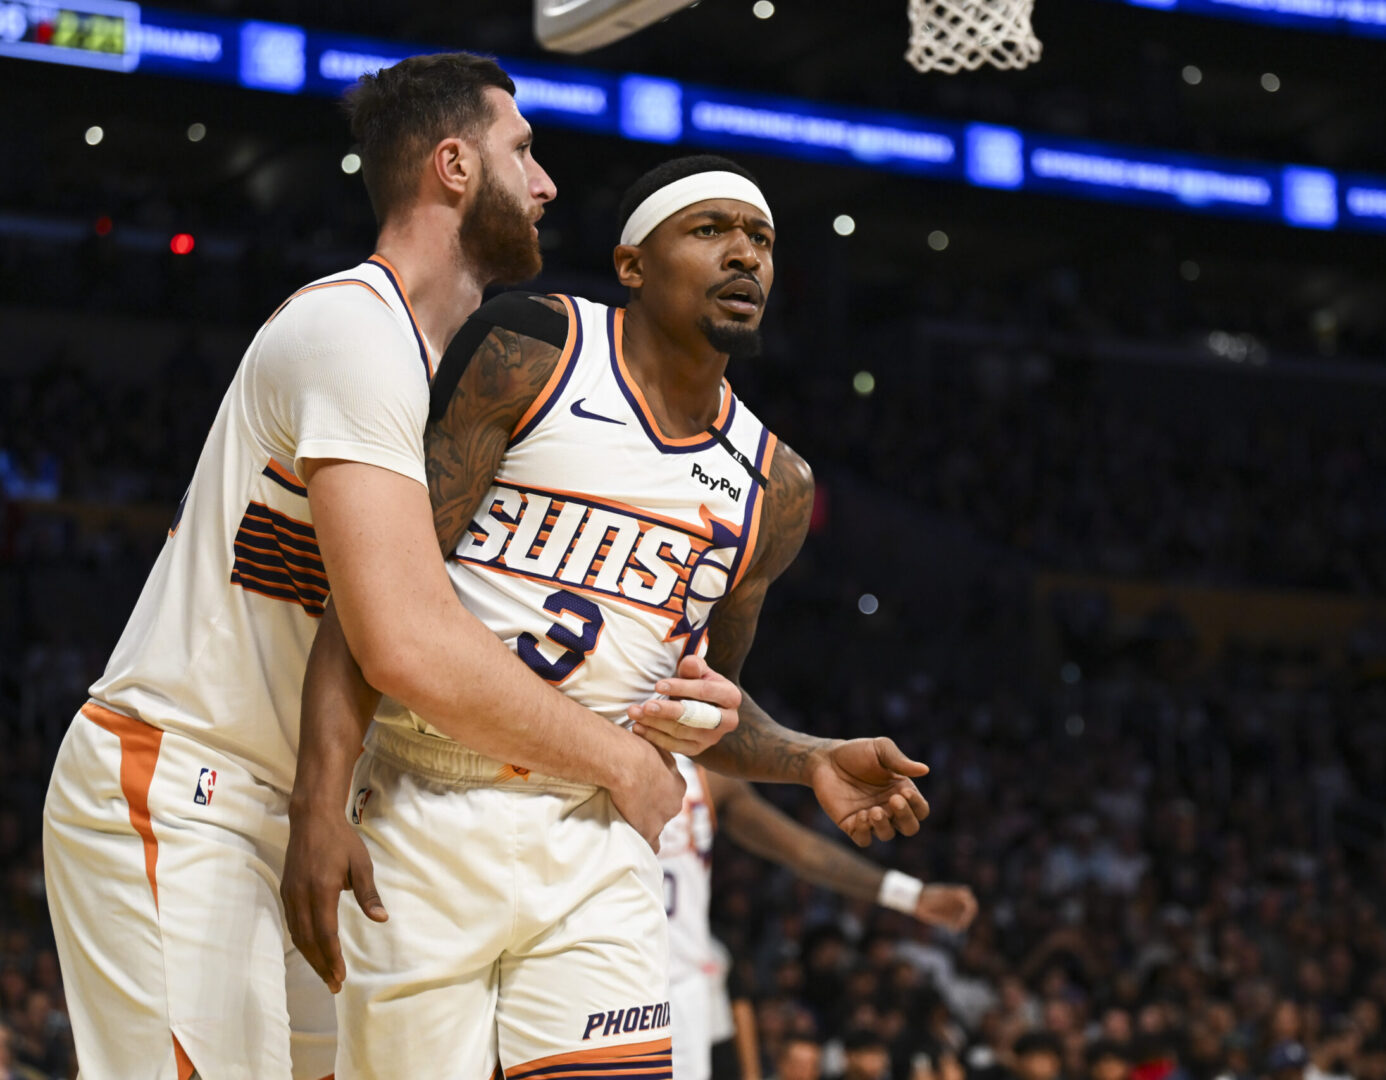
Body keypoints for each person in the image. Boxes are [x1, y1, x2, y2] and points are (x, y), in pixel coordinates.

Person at [40, 53, 741, 1080]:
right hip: (187, 784)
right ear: (453, 167)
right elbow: (409, 644)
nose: (546, 185)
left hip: (312, 811)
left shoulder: (465, 384)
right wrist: (621, 760)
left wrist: (685, 697)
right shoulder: (353, 330)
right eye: (523, 151)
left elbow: (524, 627)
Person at [291, 153, 933, 1078]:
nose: (745, 256)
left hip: (599, 833)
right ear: (632, 263)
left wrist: (811, 758)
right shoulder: (535, 349)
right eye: (710, 231)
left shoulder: (775, 486)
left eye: (761, 239)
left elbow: (703, 707)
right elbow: (373, 596)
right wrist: (318, 800)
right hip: (422, 802)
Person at [662, 755, 977, 1080]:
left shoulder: (706, 778)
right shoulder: (608, 754)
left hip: (683, 984)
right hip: (615, 968)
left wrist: (911, 895)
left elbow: (803, 850)